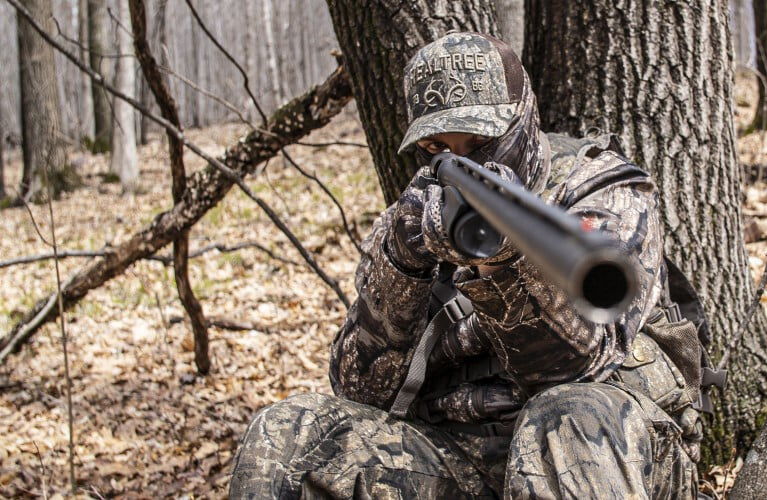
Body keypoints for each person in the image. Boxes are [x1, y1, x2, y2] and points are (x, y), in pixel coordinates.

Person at [230, 32, 713, 499]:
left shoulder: (601, 192)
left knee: (565, 417)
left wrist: (502, 261)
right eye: (437, 149)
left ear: (523, 120)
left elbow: (577, 367)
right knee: (288, 435)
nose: (461, 164)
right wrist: (404, 260)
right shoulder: (419, 212)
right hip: (460, 456)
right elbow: (361, 390)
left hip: (605, 447)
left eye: (478, 144)